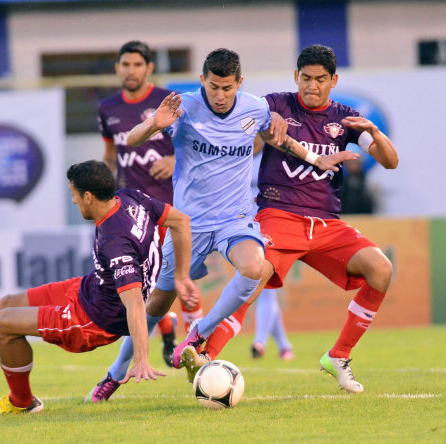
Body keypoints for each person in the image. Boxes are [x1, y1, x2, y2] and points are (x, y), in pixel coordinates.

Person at [88, 48, 356, 402]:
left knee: (255, 267)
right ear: (202, 80)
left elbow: (282, 140)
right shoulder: (182, 106)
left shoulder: (254, 108)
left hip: (236, 217)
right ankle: (115, 374)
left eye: (226, 88)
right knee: (155, 305)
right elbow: (131, 139)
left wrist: (315, 158)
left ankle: (200, 332)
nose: (219, 95)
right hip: (190, 225)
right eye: (213, 86)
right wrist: (154, 123)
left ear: (239, 84)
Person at [182, 44, 398, 394]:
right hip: (279, 213)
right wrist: (259, 131)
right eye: (306, 78)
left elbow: (390, 162)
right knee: (254, 277)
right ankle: (204, 353)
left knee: (382, 269)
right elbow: (245, 133)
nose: (312, 86)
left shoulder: (345, 118)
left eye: (321, 80)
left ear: (333, 80)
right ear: (296, 77)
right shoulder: (274, 105)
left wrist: (374, 132)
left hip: (326, 223)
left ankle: (338, 357)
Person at [0, 160, 197, 413]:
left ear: (87, 196)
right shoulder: (130, 198)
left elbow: (134, 303)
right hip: (90, 289)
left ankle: (22, 402)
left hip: (93, 321)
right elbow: (180, 221)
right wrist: (182, 276)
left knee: (4, 324)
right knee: (7, 303)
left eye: (73, 194)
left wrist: (142, 358)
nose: (72, 201)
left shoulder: (115, 240)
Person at [98, 41, 203, 367]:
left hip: (170, 207)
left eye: (137, 65)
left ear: (148, 69)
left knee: (180, 277)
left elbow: (197, 142)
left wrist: (173, 157)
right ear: (117, 68)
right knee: (137, 288)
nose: (131, 71)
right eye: (125, 65)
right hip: (131, 211)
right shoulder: (108, 109)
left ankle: (197, 345)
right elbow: (111, 156)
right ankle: (168, 323)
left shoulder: (166, 101)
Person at [249, 151, 293, 360]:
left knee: (265, 287)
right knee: (257, 286)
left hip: (269, 224)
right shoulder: (237, 149)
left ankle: (260, 341)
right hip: (242, 227)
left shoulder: (273, 154)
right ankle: (284, 345)